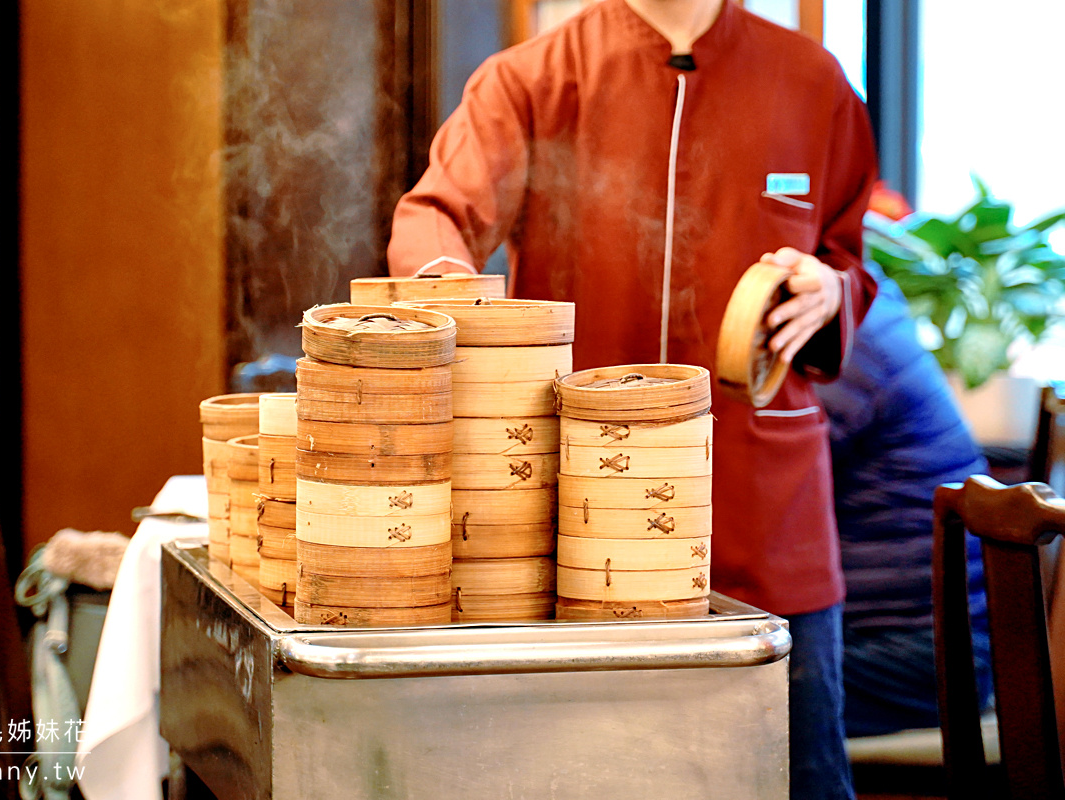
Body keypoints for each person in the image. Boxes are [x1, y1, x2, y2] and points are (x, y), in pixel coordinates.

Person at [387, 1, 878, 797]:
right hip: (588, 515)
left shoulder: (811, 80)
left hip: (766, 513)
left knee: (802, 777)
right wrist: (452, 291)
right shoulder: (530, 79)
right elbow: (437, 217)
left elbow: (846, 254)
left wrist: (833, 289)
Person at [814, 271, 993, 738]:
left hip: (930, 659)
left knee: (725, 691)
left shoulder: (847, 345)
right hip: (928, 644)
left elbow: (759, 493)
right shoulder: (868, 313)